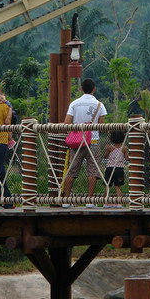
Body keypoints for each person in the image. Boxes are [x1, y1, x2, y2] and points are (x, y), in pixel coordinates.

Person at [62, 78, 107, 207]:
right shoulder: (99, 105)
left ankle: (66, 200)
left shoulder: (74, 104)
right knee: (93, 171)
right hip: (93, 140)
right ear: (94, 89)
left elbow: (66, 123)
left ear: (81, 89)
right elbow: (102, 126)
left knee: (72, 170)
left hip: (77, 142)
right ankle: (89, 200)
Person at [102, 129, 127, 207]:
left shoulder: (110, 147)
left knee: (108, 185)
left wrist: (107, 150)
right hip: (119, 169)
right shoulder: (124, 147)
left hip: (110, 168)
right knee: (117, 186)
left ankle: (105, 202)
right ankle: (119, 203)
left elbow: (105, 157)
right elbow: (127, 158)